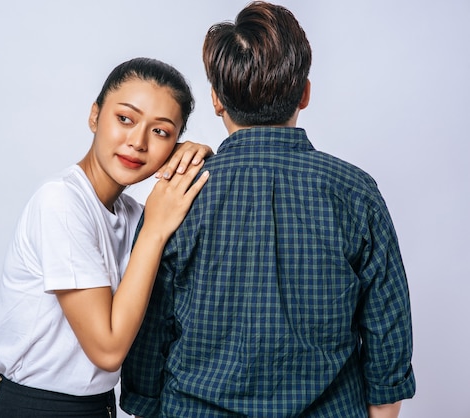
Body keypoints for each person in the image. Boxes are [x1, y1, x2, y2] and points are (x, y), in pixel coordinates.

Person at [121, 2, 416, 417]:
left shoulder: (179, 194)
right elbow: (389, 335)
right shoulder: (356, 192)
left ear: (216, 100)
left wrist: (146, 402)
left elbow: (149, 334)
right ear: (306, 93)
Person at [0, 57, 211, 417]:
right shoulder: (60, 201)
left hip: (99, 408)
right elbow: (107, 350)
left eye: (161, 132)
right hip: (38, 408)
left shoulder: (134, 215)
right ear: (94, 116)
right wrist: (153, 230)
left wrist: (197, 162)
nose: (137, 142)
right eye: (125, 118)